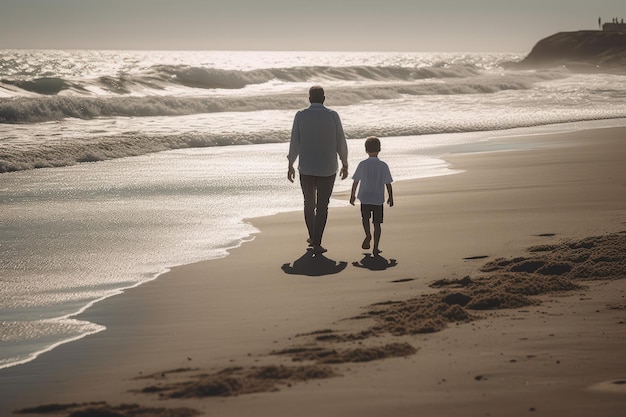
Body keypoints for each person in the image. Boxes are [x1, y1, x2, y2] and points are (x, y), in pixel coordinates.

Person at [288, 85, 349, 254]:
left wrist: (290, 164)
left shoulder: (300, 116)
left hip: (306, 168)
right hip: (328, 168)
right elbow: (340, 141)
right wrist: (344, 162)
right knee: (323, 206)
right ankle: (317, 241)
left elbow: (295, 142)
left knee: (309, 204)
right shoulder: (332, 116)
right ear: (324, 98)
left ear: (309, 99)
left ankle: (312, 236)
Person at [349, 136, 393, 256]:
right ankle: (375, 247)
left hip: (365, 197)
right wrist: (391, 196)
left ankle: (368, 235)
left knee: (365, 218)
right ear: (379, 149)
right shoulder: (383, 165)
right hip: (378, 198)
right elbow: (387, 183)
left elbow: (356, 181)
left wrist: (352, 195)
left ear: (366, 150)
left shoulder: (363, 164)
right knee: (377, 223)